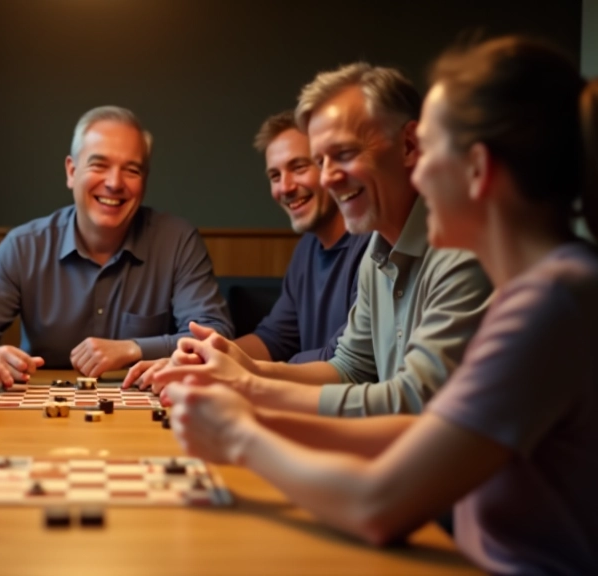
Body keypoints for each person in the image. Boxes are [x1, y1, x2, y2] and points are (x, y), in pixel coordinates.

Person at [164, 36, 598, 574]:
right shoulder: (543, 287)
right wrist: (249, 390)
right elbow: (415, 423)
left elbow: (378, 504)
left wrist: (240, 430)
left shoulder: (551, 299)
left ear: (476, 169)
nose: (418, 175)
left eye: (430, 149)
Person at [154, 64, 493, 417]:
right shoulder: (376, 255)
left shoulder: (463, 247)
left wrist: (250, 388)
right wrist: (245, 366)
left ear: (409, 145)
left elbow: (416, 401)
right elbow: (347, 368)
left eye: (344, 154)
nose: (328, 178)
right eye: (320, 161)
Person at [0, 105, 233, 385]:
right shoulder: (25, 246)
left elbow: (215, 336)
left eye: (132, 170)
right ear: (71, 171)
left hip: (148, 406)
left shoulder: (177, 241)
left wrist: (133, 348)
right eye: (99, 164)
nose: (115, 183)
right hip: (45, 411)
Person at [124, 110, 370, 388]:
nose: (285, 187)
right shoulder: (307, 249)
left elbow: (346, 361)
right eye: (275, 176)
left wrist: (245, 369)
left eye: (299, 167)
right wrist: (199, 359)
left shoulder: (373, 247)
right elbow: (274, 337)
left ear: (330, 167)